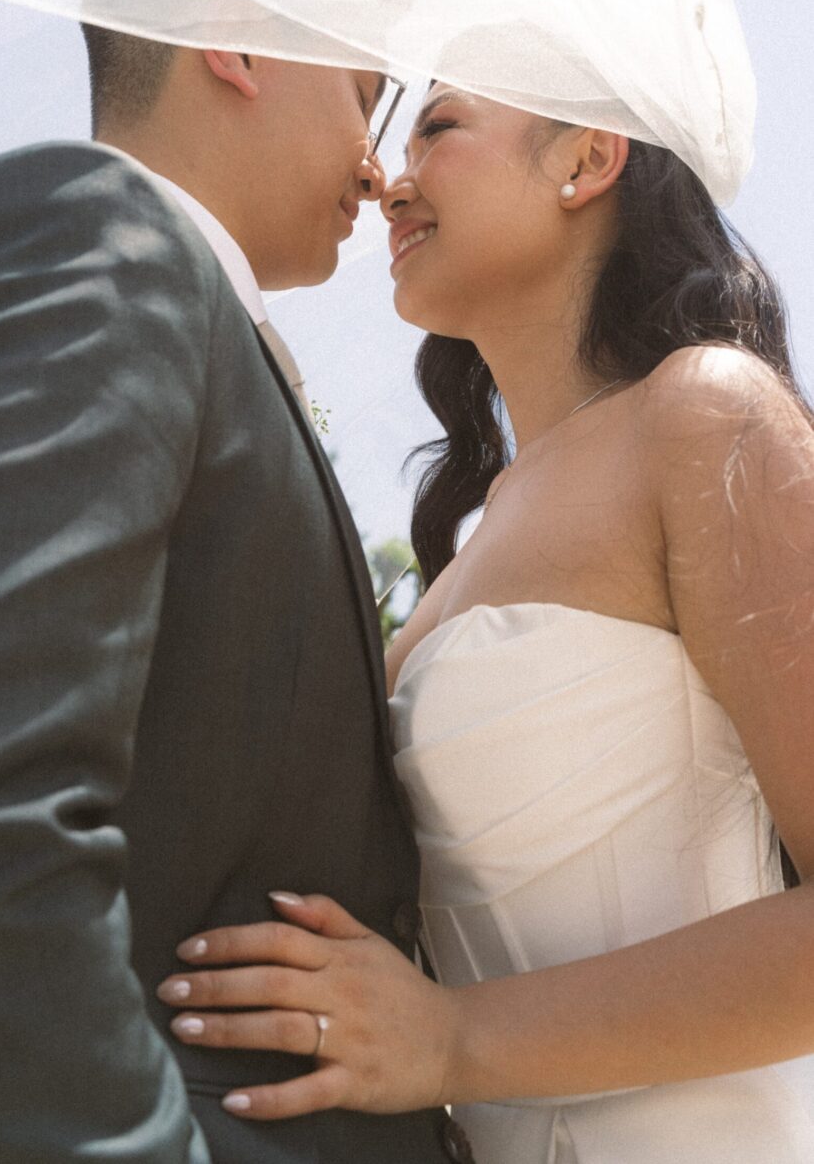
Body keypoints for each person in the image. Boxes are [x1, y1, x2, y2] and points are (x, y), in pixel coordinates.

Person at [0, 0, 472, 1162]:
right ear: (235, 38)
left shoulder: (200, 325)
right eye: (365, 93)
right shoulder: (91, 239)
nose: (377, 165)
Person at [157, 83, 814, 1162]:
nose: (388, 180)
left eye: (438, 129)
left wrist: (453, 1041)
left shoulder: (705, 415)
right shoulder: (473, 542)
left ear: (588, 158)